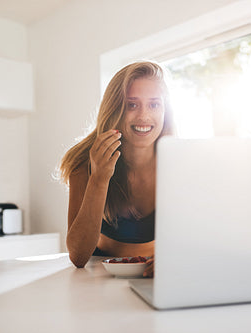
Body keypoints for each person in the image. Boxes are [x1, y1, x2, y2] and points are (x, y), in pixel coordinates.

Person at [59, 61, 175, 276]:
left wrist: (175, 258)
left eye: (154, 104)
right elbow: (78, 256)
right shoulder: (84, 161)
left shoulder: (179, 162)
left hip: (157, 273)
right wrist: (99, 179)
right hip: (99, 274)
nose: (144, 116)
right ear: (115, 110)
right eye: (132, 104)